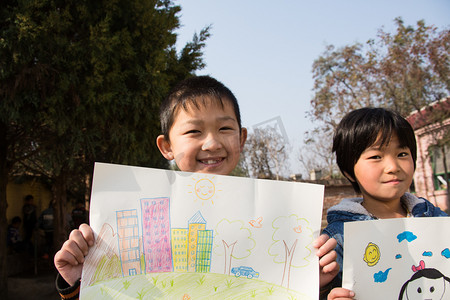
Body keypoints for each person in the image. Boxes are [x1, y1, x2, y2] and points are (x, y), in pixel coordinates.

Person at [54, 76, 339, 298]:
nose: (212, 143)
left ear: (241, 138)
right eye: (194, 131)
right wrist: (82, 281)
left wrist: (313, 284)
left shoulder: (277, 214)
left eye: (225, 129)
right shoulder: (141, 216)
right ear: (166, 146)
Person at [322, 107, 448, 300]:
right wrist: (324, 292)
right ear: (348, 171)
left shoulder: (435, 219)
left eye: (402, 154)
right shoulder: (337, 239)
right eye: (376, 157)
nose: (393, 167)